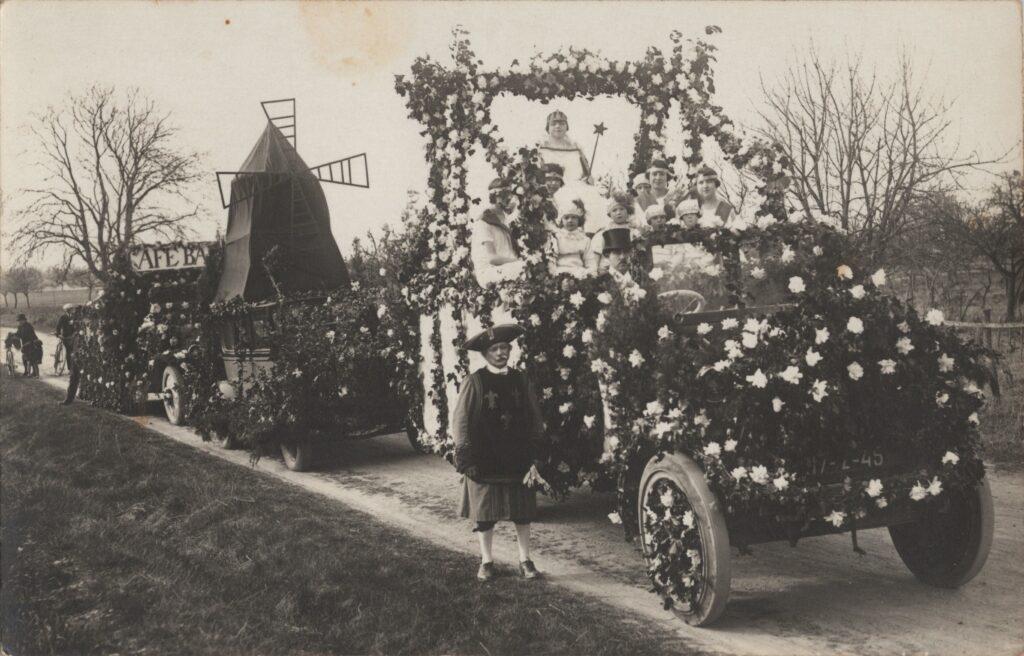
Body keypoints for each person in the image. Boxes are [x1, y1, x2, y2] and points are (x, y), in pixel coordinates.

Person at [453, 323, 545, 581]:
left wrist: (536, 449)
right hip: (485, 458)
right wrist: (465, 455)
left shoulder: (521, 380)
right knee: (485, 514)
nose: (501, 353)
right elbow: (460, 421)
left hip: (518, 456)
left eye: (505, 347)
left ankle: (525, 560)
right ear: (485, 354)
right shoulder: (475, 382)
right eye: (495, 349)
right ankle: (487, 561)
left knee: (522, 512)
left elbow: (535, 416)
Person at [471, 178, 524, 286]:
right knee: (526, 269)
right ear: (494, 197)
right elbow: (492, 259)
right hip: (489, 272)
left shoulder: (505, 221)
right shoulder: (484, 222)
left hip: (507, 267)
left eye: (509, 195)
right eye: (503, 196)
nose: (508, 199)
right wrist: (518, 261)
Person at [537, 110, 591, 183]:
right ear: (548, 127)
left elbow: (587, 174)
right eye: (553, 124)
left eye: (562, 123)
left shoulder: (576, 149)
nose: (558, 126)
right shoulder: (539, 148)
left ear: (567, 127)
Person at [591, 192, 638, 272]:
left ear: (628, 211)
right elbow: (597, 253)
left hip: (628, 265)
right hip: (607, 267)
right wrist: (596, 269)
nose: (618, 213)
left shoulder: (633, 230)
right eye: (614, 210)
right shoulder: (605, 231)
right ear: (610, 214)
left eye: (622, 209)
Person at [550, 199, 594, 275]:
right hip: (560, 272)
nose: (570, 220)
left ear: (579, 220)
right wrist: (554, 274)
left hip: (579, 272)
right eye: (566, 218)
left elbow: (590, 260)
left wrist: (589, 274)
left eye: (574, 217)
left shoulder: (584, 239)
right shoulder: (556, 237)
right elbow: (551, 260)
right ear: (561, 220)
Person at [55, 303, 81, 404]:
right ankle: (70, 366)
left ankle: (72, 367)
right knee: (69, 353)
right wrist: (58, 334)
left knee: (73, 355)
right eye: (69, 309)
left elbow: (77, 328)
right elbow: (58, 326)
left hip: (74, 337)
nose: (71, 311)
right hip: (66, 337)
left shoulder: (76, 319)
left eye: (72, 309)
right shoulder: (63, 317)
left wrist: (75, 333)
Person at [14, 313, 42, 378]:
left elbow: (32, 338)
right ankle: (26, 371)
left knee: (33, 360)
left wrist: (26, 344)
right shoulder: (20, 327)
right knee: (24, 358)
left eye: (21, 320)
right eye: (18, 321)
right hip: (25, 345)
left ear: (24, 320)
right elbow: (18, 334)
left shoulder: (29, 327)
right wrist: (13, 335)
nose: (19, 322)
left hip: (33, 344)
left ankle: (35, 373)